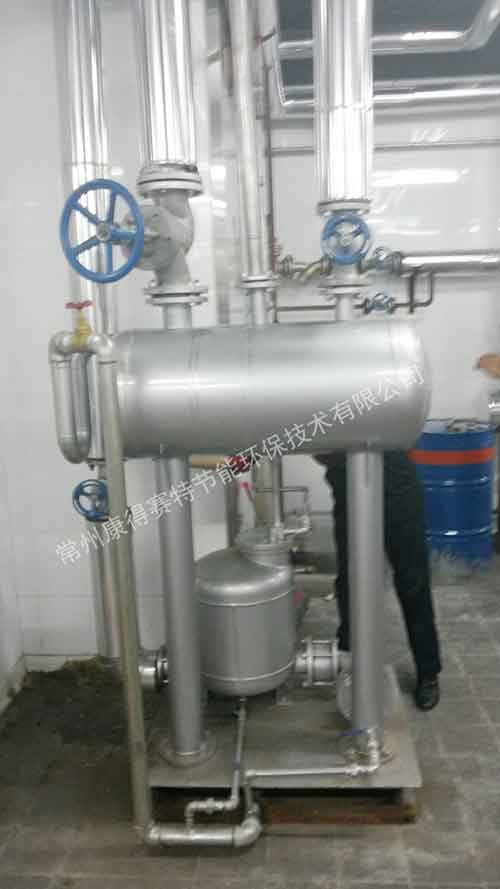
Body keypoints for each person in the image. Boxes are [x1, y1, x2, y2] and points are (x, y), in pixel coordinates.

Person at [315, 451, 442, 711]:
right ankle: (351, 661)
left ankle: (428, 671)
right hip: (348, 484)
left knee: (412, 580)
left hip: (395, 481)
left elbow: (407, 432)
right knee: (350, 581)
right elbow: (317, 449)